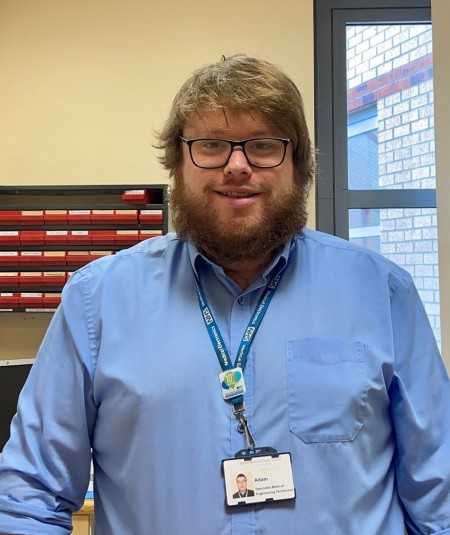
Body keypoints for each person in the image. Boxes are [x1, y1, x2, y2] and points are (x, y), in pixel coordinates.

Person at [0, 54, 449, 535]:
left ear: (299, 163)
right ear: (177, 162)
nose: (238, 166)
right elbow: (28, 497)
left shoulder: (382, 292)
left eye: (263, 145)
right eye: (212, 145)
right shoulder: (96, 303)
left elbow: (438, 497)